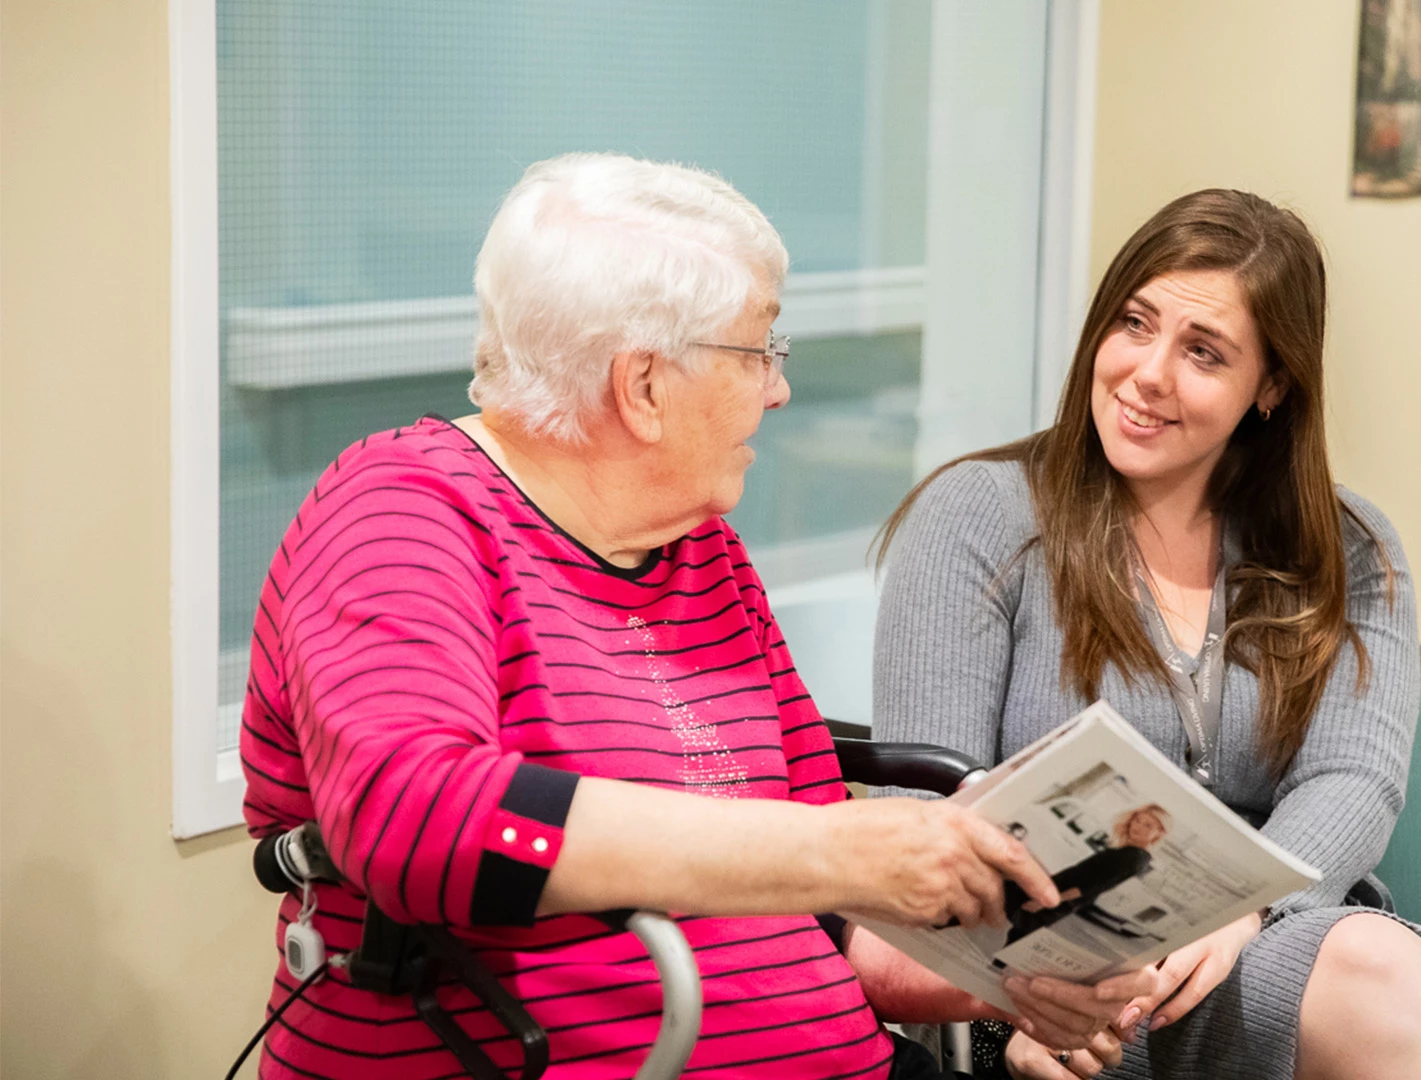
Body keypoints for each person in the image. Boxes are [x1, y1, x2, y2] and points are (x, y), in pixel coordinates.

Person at [239, 153, 1151, 1080]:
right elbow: (420, 819)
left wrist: (1006, 980)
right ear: (642, 386)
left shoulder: (699, 551)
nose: (777, 389)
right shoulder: (402, 510)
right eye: (760, 350)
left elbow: (828, 925)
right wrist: (836, 849)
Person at [871, 190, 1421, 1080]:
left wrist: (1245, 915)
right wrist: (1023, 993)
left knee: (1374, 958)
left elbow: (1352, 775)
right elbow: (928, 820)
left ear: (1271, 386)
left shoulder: (1347, 547)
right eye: (1134, 322)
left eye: (1203, 353)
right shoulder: (979, 517)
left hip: (1266, 949)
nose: (1148, 373)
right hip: (1053, 994)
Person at [1000, 805, 1169, 949]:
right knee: (1017, 926)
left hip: (1062, 896)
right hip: (1058, 890)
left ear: (1158, 833)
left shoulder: (1135, 857)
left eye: (1148, 825)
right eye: (1137, 820)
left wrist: (1048, 900)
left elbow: (1093, 886)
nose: (1137, 827)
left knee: (1018, 924)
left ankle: (997, 967)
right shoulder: (1131, 852)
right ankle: (997, 965)